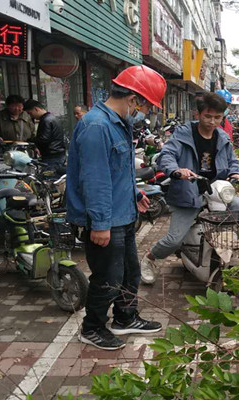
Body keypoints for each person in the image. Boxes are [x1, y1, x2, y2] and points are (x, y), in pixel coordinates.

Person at [66, 65, 167, 350]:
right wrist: (100, 224)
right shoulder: (97, 126)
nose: (145, 112)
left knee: (129, 272)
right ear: (133, 99)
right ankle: (92, 328)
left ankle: (125, 317)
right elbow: (95, 180)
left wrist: (134, 193)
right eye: (146, 105)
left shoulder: (118, 123)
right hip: (106, 218)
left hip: (122, 213)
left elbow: (116, 170)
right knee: (108, 277)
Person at [141, 92, 239, 284]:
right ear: (197, 114)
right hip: (188, 190)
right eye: (208, 116)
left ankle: (225, 252)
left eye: (217, 117)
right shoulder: (183, 134)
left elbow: (232, 161)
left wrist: (236, 173)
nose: (212, 121)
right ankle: (150, 258)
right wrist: (176, 170)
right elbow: (167, 155)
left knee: (237, 205)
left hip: (215, 190)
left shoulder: (222, 137)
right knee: (174, 239)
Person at [23, 99, 66, 173]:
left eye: (30, 113)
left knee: (49, 177)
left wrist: (30, 140)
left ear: (36, 109)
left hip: (51, 156)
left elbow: (44, 139)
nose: (31, 116)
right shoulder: (52, 118)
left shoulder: (46, 120)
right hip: (57, 154)